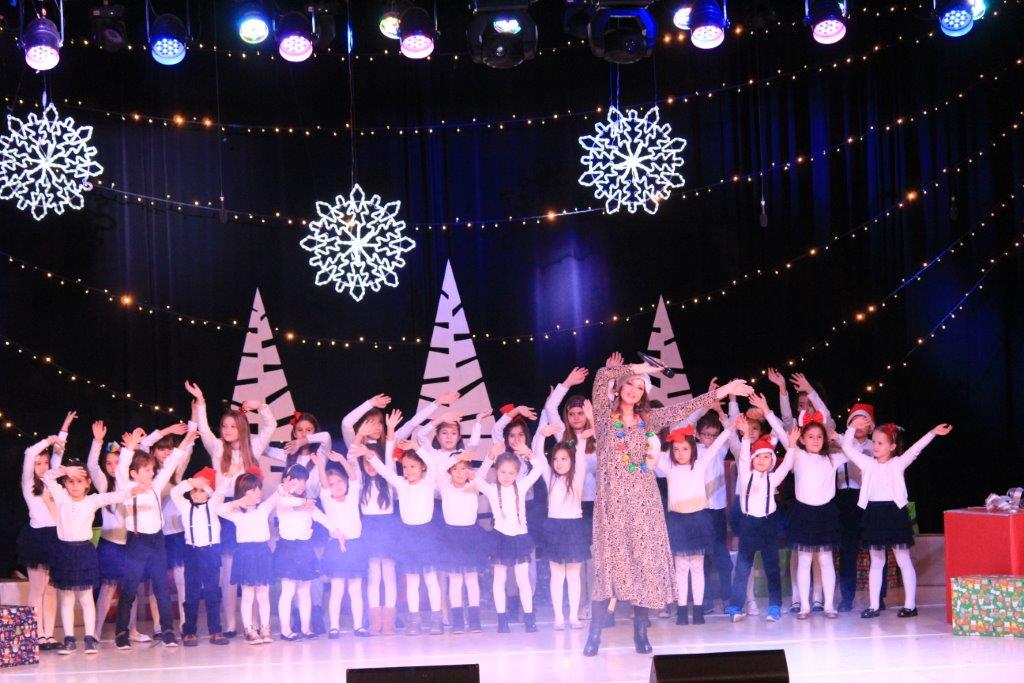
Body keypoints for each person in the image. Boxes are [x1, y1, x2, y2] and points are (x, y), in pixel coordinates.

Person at [583, 352, 751, 656]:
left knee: (644, 565)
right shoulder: (605, 417)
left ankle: (640, 632)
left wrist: (725, 391)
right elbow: (600, 376)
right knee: (608, 567)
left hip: (645, 503)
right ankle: (593, 635)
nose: (634, 390)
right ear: (619, 387)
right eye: (629, 384)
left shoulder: (649, 419)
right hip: (612, 506)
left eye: (640, 387)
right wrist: (641, 368)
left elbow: (688, 407)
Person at [840, 418, 953, 618]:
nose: (875, 446)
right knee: (876, 561)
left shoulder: (898, 463)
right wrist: (851, 427)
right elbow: (847, 448)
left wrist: (932, 433)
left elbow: (916, 449)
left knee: (903, 559)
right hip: (874, 514)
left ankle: (910, 605)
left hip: (894, 514)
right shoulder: (867, 463)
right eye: (874, 442)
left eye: (880, 443)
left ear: (892, 447)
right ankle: (874, 605)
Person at [45, 459, 144, 655]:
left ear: (87, 484)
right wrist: (65, 470)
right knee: (66, 598)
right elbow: (48, 477)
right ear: (65, 483)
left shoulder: (92, 500)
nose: (75, 485)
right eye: (71, 481)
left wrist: (131, 492)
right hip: (64, 551)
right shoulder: (61, 496)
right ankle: (69, 639)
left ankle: (90, 638)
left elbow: (112, 496)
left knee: (86, 596)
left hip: (84, 551)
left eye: (79, 481)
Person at [112, 429, 193, 649]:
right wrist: (130, 448)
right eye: (146, 470)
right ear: (134, 473)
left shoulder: (155, 487)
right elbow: (121, 469)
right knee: (129, 589)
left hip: (157, 541)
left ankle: (167, 631)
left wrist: (186, 441)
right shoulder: (126, 488)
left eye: (151, 469)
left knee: (162, 588)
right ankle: (121, 633)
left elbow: (171, 464)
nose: (151, 472)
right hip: (137, 541)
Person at [17, 412, 71, 651]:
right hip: (37, 539)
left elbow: (58, 455)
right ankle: (35, 635)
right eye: (38, 464)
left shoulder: (51, 481)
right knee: (37, 589)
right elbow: (30, 453)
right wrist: (49, 440)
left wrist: (64, 429)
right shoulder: (28, 484)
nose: (42, 467)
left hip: (55, 537)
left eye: (45, 463)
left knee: (51, 590)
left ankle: (48, 634)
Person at [169, 468, 227, 645]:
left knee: (212, 592)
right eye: (194, 490)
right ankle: (189, 631)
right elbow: (174, 493)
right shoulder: (185, 506)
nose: (195, 493)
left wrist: (206, 486)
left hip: (211, 552)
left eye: (201, 490)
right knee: (191, 593)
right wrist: (191, 483)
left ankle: (215, 630)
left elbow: (220, 492)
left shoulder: (214, 504)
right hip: (192, 552)